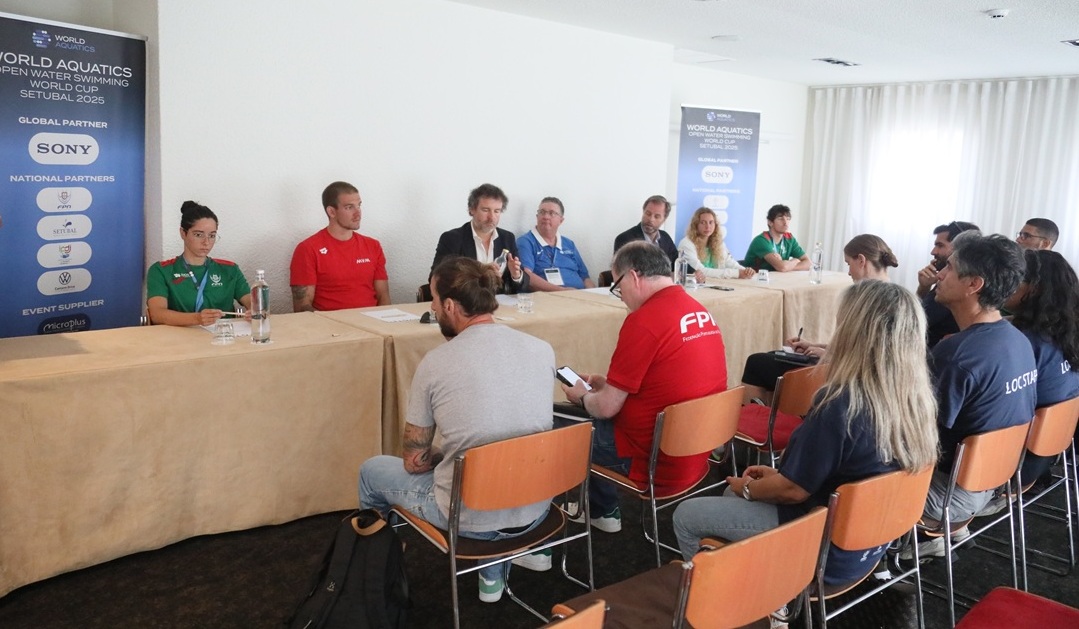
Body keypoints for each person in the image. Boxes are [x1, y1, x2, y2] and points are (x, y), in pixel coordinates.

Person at [672, 280, 939, 586]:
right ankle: (758, 585)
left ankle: (726, 600)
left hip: (821, 547)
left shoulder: (841, 404)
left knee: (686, 515)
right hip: (870, 542)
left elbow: (792, 491)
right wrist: (767, 482)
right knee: (729, 497)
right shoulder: (916, 400)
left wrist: (748, 489)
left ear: (853, 333)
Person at [358, 256, 554, 603]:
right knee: (493, 463)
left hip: (470, 517)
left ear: (449, 305)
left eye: (434, 300)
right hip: (537, 508)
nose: (432, 308)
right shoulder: (542, 349)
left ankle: (374, 577)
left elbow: (414, 462)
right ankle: (493, 573)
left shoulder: (436, 363)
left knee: (371, 471)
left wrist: (442, 455)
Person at [560, 241, 727, 534]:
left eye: (617, 287)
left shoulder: (644, 321)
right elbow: (664, 382)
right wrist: (609, 385)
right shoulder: (699, 311)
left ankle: (534, 533)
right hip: (697, 450)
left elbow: (605, 408)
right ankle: (600, 509)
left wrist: (583, 396)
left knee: (552, 426)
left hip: (651, 458)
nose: (621, 296)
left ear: (633, 277)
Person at [907, 232, 1037, 559]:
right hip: (993, 480)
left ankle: (873, 559)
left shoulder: (958, 354)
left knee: (844, 466)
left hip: (948, 494)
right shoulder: (1018, 340)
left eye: (949, 268)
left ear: (973, 284)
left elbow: (919, 438)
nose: (939, 274)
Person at [739, 234, 898, 404]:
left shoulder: (866, 299)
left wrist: (827, 355)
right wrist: (814, 346)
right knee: (774, 357)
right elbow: (859, 346)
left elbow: (867, 357)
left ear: (861, 260)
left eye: (848, 264)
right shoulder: (896, 296)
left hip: (849, 373)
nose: (849, 272)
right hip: (853, 368)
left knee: (756, 363)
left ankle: (757, 417)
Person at [1003, 250, 1079, 488]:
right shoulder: (1066, 334)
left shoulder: (1022, 342)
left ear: (1035, 289)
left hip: (1010, 467)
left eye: (1015, 279)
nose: (1007, 285)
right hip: (1052, 451)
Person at [146, 201, 252, 326]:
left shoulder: (230, 269)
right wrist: (197, 319)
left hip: (223, 335)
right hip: (178, 336)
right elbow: (157, 314)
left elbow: (253, 302)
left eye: (212, 235)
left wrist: (256, 310)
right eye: (198, 235)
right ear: (183, 233)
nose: (206, 242)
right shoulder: (161, 270)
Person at [290, 181, 390, 311]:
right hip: (328, 323)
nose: (358, 213)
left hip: (371, 320)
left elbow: (384, 297)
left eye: (359, 205)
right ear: (332, 212)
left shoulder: (373, 246)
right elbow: (302, 307)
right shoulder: (308, 249)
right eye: (349, 207)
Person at [431, 183, 528, 294]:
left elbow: (523, 285)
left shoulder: (507, 238)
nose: (491, 217)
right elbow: (436, 278)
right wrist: (480, 271)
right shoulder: (452, 238)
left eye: (497, 211)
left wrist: (516, 275)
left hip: (499, 303)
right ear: (472, 209)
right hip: (466, 301)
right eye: (485, 210)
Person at [914, 221, 979, 348]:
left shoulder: (955, 287)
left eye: (940, 245)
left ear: (960, 248)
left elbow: (909, 323)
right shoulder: (946, 281)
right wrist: (924, 288)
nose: (933, 252)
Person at [516, 197, 595, 291]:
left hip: (579, 295)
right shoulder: (526, 242)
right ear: (537, 217)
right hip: (547, 296)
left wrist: (591, 293)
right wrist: (562, 291)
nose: (546, 217)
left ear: (561, 220)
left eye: (552, 213)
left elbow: (585, 277)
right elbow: (526, 275)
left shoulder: (569, 244)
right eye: (542, 212)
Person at [676, 207, 755, 281]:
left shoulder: (718, 242)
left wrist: (746, 271)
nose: (708, 226)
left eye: (711, 222)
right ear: (695, 225)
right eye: (703, 223)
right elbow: (700, 271)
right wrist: (736, 273)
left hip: (715, 284)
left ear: (715, 225)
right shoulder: (686, 244)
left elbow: (729, 262)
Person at [612, 195, 679, 266]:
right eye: (648, 214)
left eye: (657, 216)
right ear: (643, 212)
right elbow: (621, 270)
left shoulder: (665, 238)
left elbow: (676, 263)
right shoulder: (625, 239)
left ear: (664, 219)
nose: (651, 219)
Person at [742, 204, 810, 272]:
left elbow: (809, 263)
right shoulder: (761, 240)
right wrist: (795, 261)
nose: (786, 223)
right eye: (780, 219)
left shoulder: (789, 239)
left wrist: (788, 266)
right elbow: (782, 267)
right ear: (770, 222)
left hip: (775, 277)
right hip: (755, 277)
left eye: (788, 219)